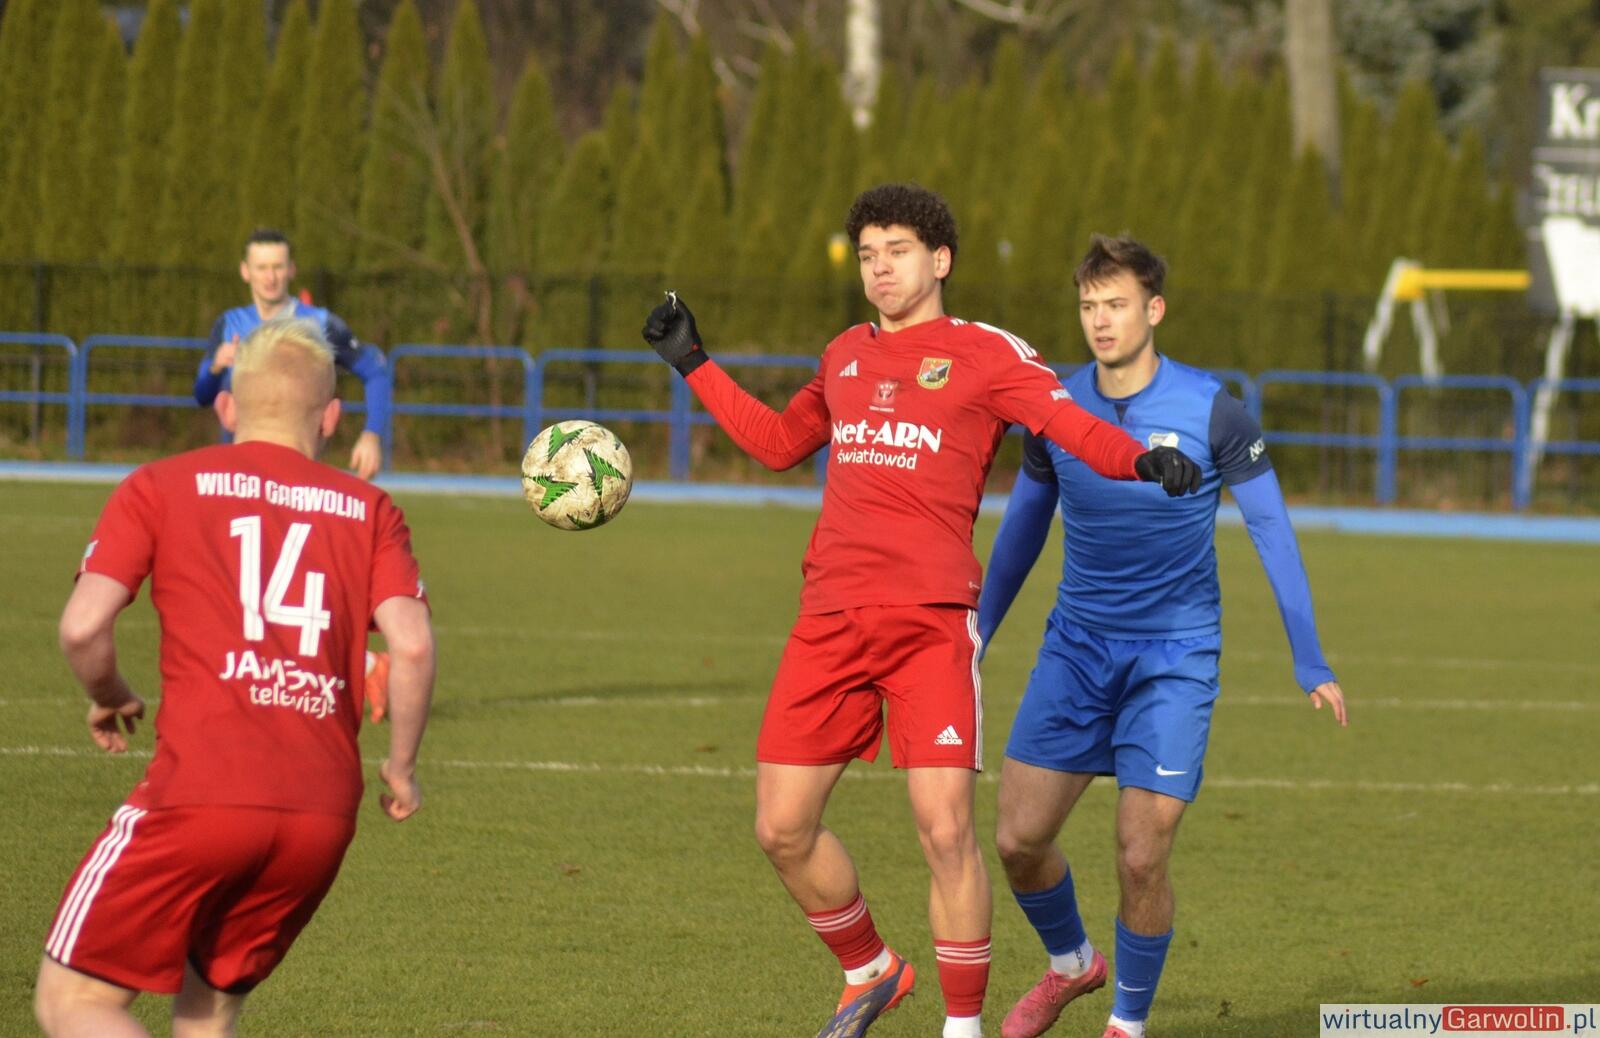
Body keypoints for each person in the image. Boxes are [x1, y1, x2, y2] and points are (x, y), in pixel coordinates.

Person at [642, 185, 1201, 1038]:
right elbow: (780, 443)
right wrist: (693, 362)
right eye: (868, 254)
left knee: (945, 834)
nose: (880, 269)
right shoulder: (844, 354)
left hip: (930, 623)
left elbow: (1067, 423)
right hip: (830, 617)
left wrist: (1139, 460)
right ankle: (871, 968)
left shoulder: (987, 353)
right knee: (782, 828)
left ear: (940, 260)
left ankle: (961, 1028)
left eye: (897, 251)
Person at [977, 235, 1349, 1038]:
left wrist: (1309, 657)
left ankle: (1128, 1022)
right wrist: (976, 635)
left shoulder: (1214, 410)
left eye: (1116, 304)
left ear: (1155, 309)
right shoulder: (1056, 406)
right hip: (1076, 651)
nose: (1100, 320)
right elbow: (1022, 532)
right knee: (1017, 841)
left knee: (1142, 852)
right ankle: (1072, 964)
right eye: (1088, 305)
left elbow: (1272, 530)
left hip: (1175, 658)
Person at [35, 318, 434, 1038]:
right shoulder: (372, 509)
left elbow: (81, 626)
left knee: (74, 1003)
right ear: (332, 417)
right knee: (206, 1018)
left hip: (200, 795)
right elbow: (410, 646)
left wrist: (110, 694)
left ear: (226, 407)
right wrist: (400, 767)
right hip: (319, 816)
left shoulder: (160, 485)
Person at [194, 229, 392, 481]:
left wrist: (371, 435)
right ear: (245, 271)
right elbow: (201, 396)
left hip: (298, 477)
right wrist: (215, 368)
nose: (270, 277)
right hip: (240, 474)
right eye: (261, 267)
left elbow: (375, 371)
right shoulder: (229, 324)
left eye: (278, 267)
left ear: (291, 269)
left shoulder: (319, 323)